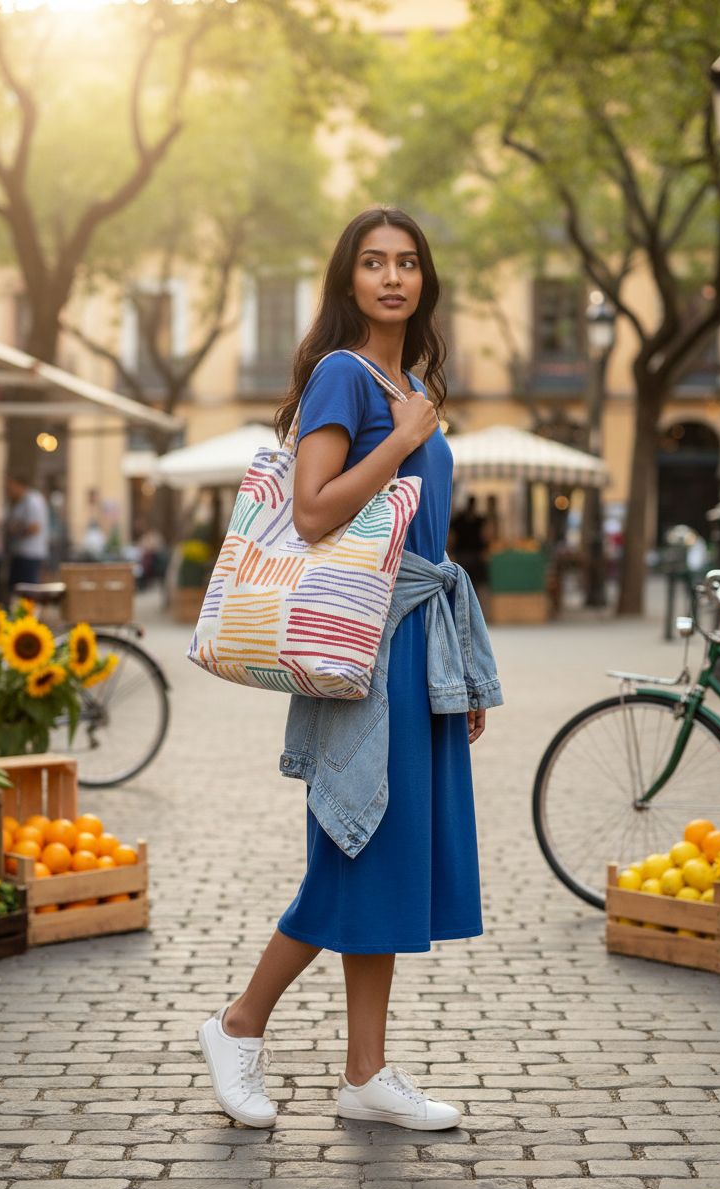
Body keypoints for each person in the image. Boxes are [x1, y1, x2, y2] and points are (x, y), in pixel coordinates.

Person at [197, 206, 503, 1132]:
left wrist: (459, 677)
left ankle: (364, 1073)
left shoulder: (409, 380)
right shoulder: (345, 376)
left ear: (425, 280)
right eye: (372, 263)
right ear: (348, 281)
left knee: (390, 856)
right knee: (351, 846)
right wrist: (406, 440)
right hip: (361, 651)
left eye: (407, 263)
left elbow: (430, 548)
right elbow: (317, 510)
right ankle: (239, 1024)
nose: (392, 278)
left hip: (417, 649)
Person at [5, 472, 49, 593]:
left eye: (11, 486)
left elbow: (35, 527)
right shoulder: (19, 502)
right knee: (16, 589)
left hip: (30, 554)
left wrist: (17, 530)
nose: (9, 490)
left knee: (28, 590)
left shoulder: (33, 501)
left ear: (19, 485)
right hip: (20, 553)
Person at [449, 495, 488, 592]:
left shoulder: (459, 520)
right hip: (471, 552)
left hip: (464, 552)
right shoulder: (478, 520)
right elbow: (485, 535)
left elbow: (452, 537)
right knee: (475, 582)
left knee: (465, 580)